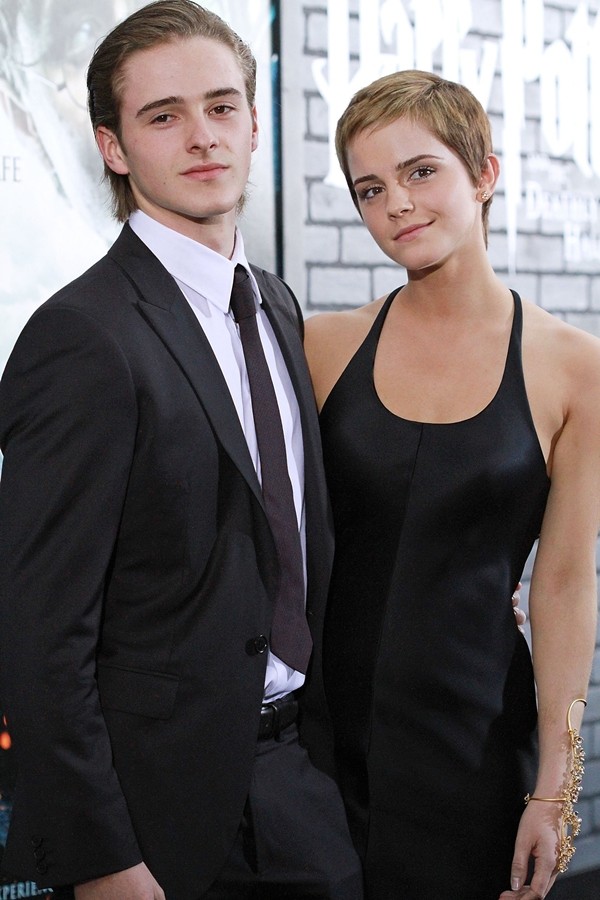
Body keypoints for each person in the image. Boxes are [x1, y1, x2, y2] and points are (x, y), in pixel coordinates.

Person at [0, 2, 364, 898]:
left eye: (222, 106)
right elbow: (40, 632)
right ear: (114, 147)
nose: (203, 136)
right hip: (156, 815)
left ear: (253, 123)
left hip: (302, 781)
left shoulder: (274, 304)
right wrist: (102, 858)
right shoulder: (81, 336)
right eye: (164, 116)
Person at [304, 70, 600, 900]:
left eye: (421, 171)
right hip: (317, 749)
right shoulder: (320, 347)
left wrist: (555, 790)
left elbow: (564, 585)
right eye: (370, 188)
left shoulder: (575, 368)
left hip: (475, 745)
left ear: (484, 175)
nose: (395, 203)